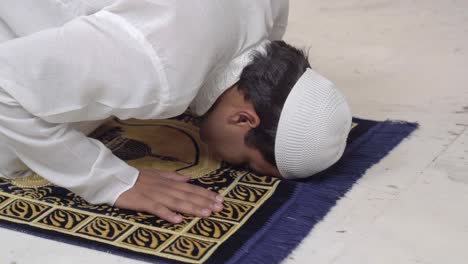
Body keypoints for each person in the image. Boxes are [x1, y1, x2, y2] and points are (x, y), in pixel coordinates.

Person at [0, 0, 352, 224]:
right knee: (10, 150)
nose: (227, 163)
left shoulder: (269, 8)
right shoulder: (162, 74)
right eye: (245, 162)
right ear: (244, 119)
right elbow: (5, 84)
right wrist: (112, 181)